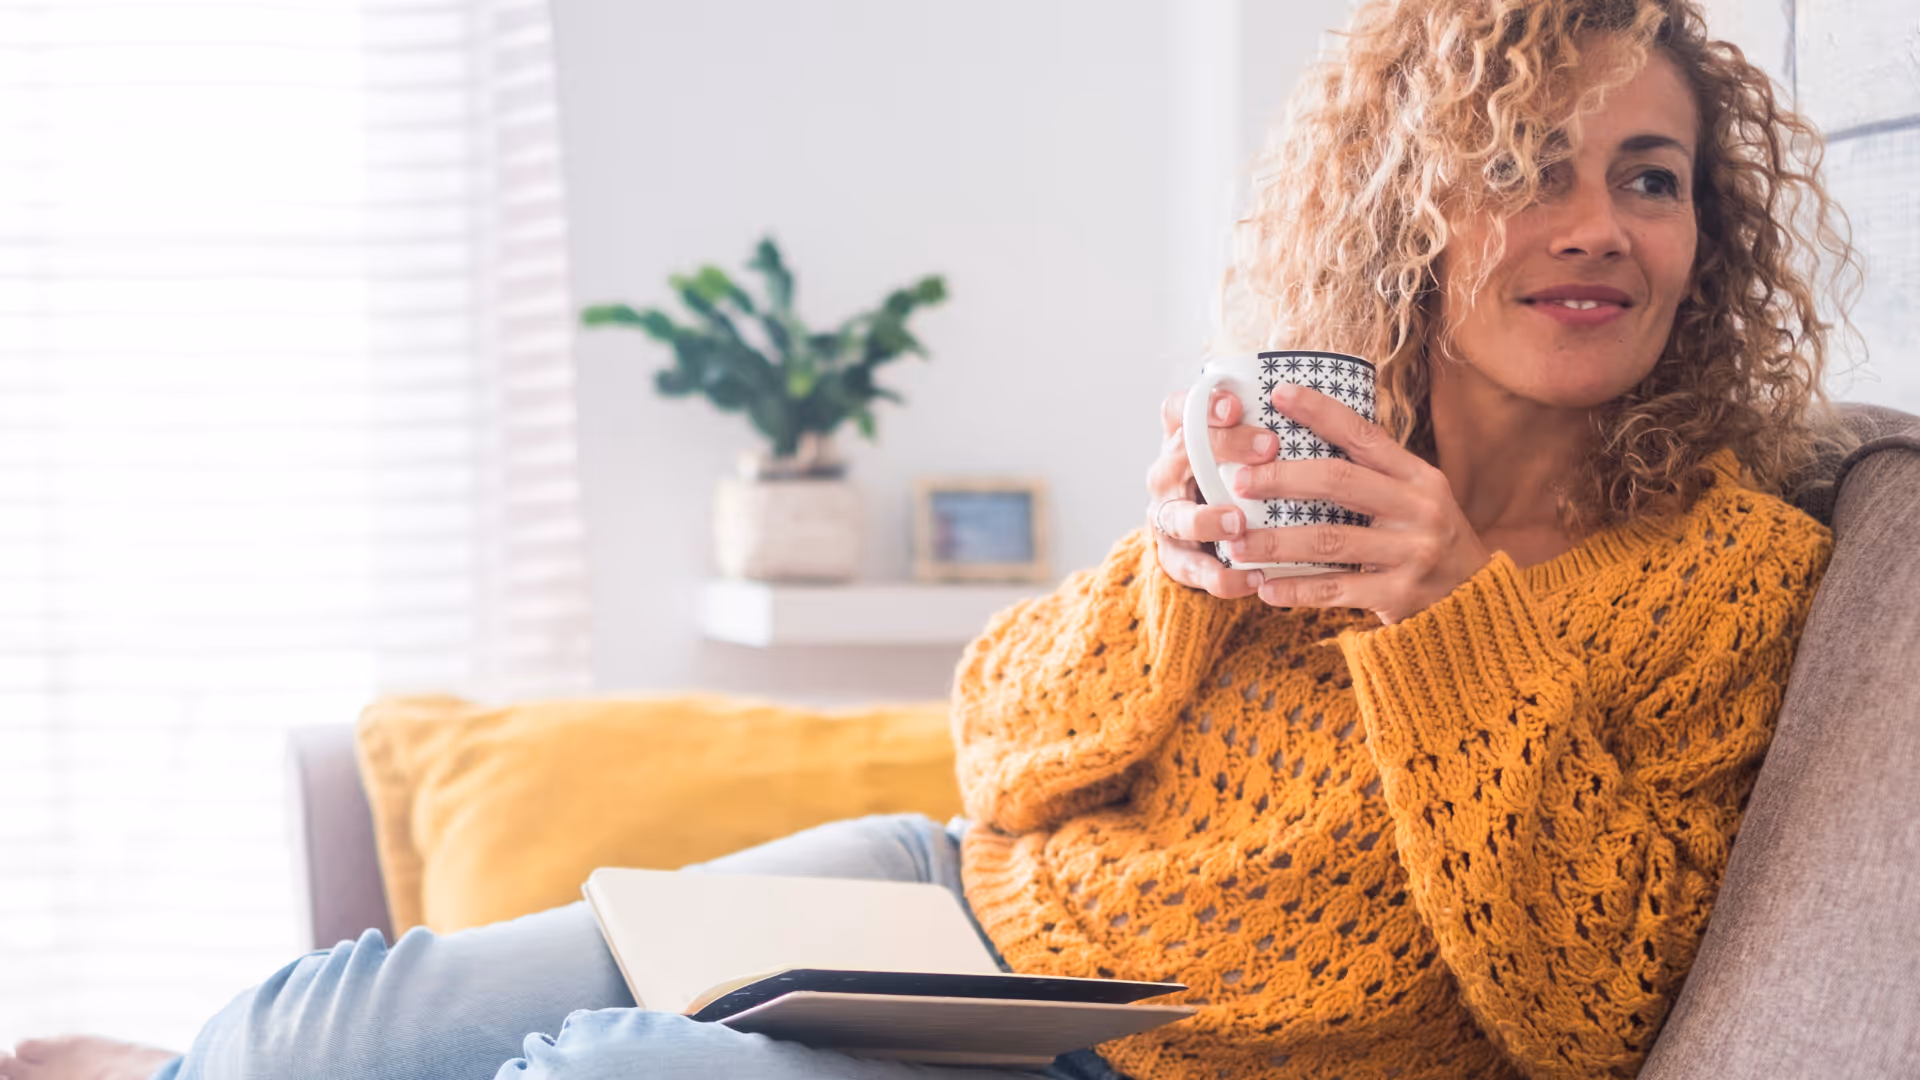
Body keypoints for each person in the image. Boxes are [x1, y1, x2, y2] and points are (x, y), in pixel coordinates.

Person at [1, 0, 1856, 1077]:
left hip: (1132, 1053)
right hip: (942, 901)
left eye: (1651, 178)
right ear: (1415, 211)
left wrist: (1449, 614)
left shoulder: (1733, 573)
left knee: (605, 1075)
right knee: (339, 1015)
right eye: (1530, 163)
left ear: (1709, 247)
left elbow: (1596, 1006)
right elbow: (1010, 754)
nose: (1599, 221)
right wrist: (1166, 574)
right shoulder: (1306, 445)